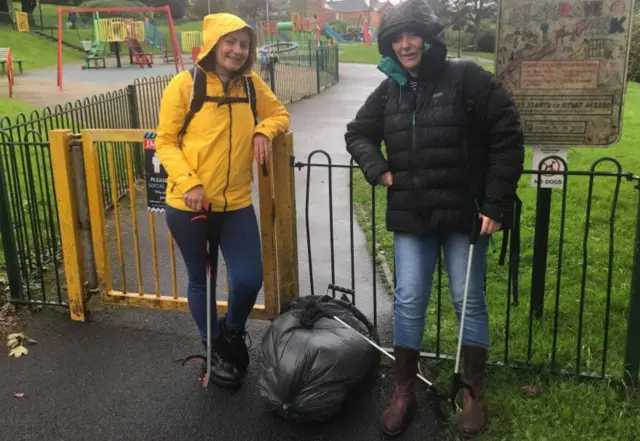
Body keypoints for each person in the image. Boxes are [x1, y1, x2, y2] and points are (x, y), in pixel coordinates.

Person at [344, 0, 524, 437]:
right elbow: (357, 132)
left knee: (468, 299)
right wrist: (377, 167)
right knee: (409, 299)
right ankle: (404, 389)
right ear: (390, 44)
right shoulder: (390, 89)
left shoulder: (467, 78)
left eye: (412, 36)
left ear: (427, 37)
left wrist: (496, 203)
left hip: (467, 215)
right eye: (396, 39)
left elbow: (507, 133)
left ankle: (472, 389)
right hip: (413, 215)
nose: (405, 45)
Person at [155, 13, 291, 390]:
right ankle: (212, 348)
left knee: (248, 278)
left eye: (244, 44)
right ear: (214, 43)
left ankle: (231, 333)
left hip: (235, 203)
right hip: (190, 205)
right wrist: (189, 183)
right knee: (201, 281)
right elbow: (164, 141)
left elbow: (279, 113)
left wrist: (263, 130)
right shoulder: (185, 85)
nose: (236, 50)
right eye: (230, 42)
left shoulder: (251, 85)